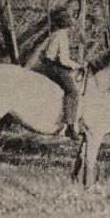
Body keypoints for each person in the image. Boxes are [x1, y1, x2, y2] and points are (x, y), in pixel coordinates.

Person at [43, 7, 84, 140]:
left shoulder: (56, 34)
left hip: (49, 64)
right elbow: (63, 60)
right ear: (67, 23)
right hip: (55, 67)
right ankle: (70, 126)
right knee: (73, 92)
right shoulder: (62, 36)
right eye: (70, 21)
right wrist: (78, 65)